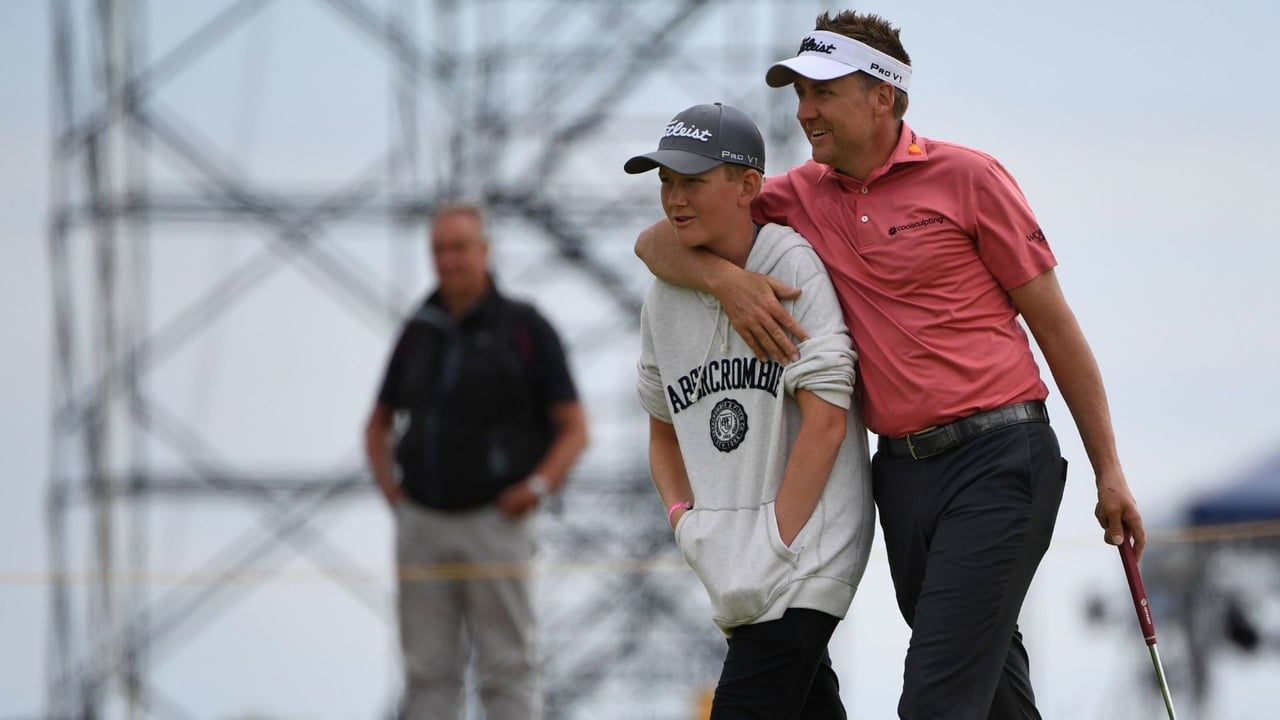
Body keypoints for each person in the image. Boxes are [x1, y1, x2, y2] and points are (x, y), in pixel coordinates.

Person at [634, 11, 1146, 720]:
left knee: (937, 697)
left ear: (883, 95)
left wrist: (1109, 469)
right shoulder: (801, 194)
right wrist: (727, 281)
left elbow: (1057, 331)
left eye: (823, 93)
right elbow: (658, 240)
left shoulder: (969, 179)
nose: (804, 112)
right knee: (989, 686)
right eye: (798, 95)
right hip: (901, 476)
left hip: (1001, 456)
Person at [626, 102, 874, 719]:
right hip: (733, 570)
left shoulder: (791, 267)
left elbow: (826, 421)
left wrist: (775, 541)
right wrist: (688, 524)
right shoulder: (662, 298)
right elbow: (663, 436)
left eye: (692, 181)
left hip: (802, 565)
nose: (674, 198)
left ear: (747, 187)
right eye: (666, 181)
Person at [364, 201, 588, 720]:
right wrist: (393, 494)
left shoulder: (524, 328)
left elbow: (574, 428)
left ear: (484, 251)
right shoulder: (420, 329)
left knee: (507, 666)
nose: (449, 260)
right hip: (423, 522)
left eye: (459, 248)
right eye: (439, 250)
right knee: (426, 671)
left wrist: (537, 488)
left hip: (497, 521)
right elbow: (376, 423)